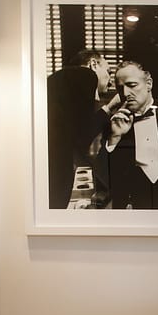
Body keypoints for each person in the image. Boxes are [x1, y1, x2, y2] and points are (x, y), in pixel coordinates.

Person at [93, 60, 158, 209]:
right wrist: (115, 138)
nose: (125, 93)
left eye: (131, 85)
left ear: (149, 84)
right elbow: (103, 181)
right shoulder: (113, 124)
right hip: (133, 207)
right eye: (120, 88)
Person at [46, 49, 115, 209]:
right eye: (108, 72)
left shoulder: (59, 80)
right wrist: (110, 107)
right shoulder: (85, 75)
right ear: (93, 64)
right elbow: (82, 136)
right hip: (57, 170)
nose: (111, 82)